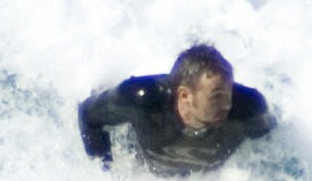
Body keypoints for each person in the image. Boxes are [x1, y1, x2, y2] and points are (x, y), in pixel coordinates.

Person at [78, 44, 274, 173]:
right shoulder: (143, 101)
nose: (227, 104)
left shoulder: (249, 109)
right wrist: (106, 171)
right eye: (216, 97)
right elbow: (88, 115)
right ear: (184, 96)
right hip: (144, 173)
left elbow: (269, 142)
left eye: (228, 93)